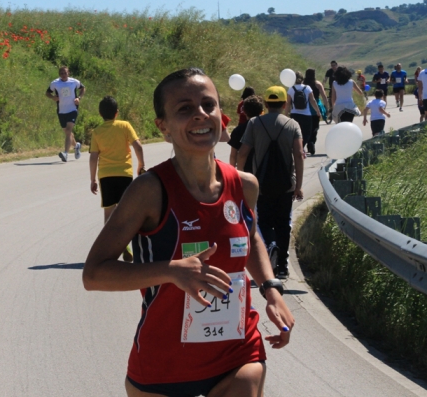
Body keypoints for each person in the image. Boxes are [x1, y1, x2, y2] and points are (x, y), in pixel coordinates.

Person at [83, 68, 294, 397]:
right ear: (163, 127)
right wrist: (170, 271)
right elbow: (93, 274)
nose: (200, 114)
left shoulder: (245, 185)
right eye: (184, 109)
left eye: (208, 105)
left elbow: (250, 236)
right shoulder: (149, 191)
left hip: (237, 351)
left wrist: (270, 288)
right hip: (164, 364)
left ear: (221, 118)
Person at [237, 86, 304, 280]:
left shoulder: (254, 123)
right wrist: (298, 185)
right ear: (284, 104)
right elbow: (299, 155)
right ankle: (282, 266)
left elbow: (243, 152)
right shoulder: (293, 125)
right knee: (283, 224)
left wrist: (240, 178)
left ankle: (271, 244)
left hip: (261, 184)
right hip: (285, 185)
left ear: (265, 104)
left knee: (264, 221)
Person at [89, 96, 145, 262]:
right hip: (124, 174)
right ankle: (126, 243)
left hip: (106, 175)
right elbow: (138, 147)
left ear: (100, 114)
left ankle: (109, 251)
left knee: (109, 213)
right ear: (117, 113)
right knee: (126, 212)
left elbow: (93, 157)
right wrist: (141, 165)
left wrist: (92, 179)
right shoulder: (125, 126)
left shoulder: (97, 132)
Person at [46, 66, 85, 162]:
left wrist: (78, 98)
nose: (63, 75)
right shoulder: (55, 83)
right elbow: (47, 93)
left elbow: (83, 88)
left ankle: (65, 153)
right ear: (59, 74)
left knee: (68, 131)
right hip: (61, 111)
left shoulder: (74, 82)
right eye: (61, 73)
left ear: (69, 73)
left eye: (65, 73)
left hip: (72, 109)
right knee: (67, 132)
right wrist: (53, 97)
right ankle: (76, 146)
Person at [285, 71, 321, 152]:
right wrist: (318, 111)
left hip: (294, 114)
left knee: (295, 133)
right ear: (302, 79)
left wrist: (285, 115)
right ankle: (301, 147)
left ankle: (297, 148)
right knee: (307, 133)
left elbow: (288, 104)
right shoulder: (307, 88)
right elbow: (313, 101)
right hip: (306, 115)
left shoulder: (291, 89)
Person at [229, 95, 264, 172]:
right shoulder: (266, 128)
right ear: (262, 111)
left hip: (246, 171)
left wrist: (233, 174)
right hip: (264, 170)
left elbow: (233, 156)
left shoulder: (238, 130)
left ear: (244, 111)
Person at [304, 68, 329, 155]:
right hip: (316, 107)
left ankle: (307, 142)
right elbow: (324, 96)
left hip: (305, 107)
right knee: (315, 126)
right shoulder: (318, 84)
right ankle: (312, 142)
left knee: (307, 127)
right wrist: (326, 108)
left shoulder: (303, 84)